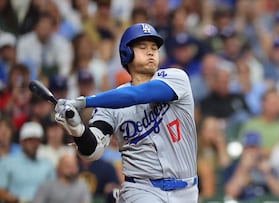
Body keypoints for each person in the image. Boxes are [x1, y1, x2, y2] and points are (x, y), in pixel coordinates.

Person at [54, 23, 198, 203]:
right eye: (143, 47)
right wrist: (78, 130)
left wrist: (83, 101)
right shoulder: (109, 105)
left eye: (154, 48)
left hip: (187, 190)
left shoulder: (176, 78)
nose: (151, 52)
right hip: (141, 189)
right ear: (126, 53)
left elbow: (137, 94)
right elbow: (92, 152)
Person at [0, 121, 55, 203]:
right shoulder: (7, 163)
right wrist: (14, 199)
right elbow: (1, 190)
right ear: (22, 142)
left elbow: (54, 189)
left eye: (37, 141)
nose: (34, 144)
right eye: (30, 140)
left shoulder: (47, 164)